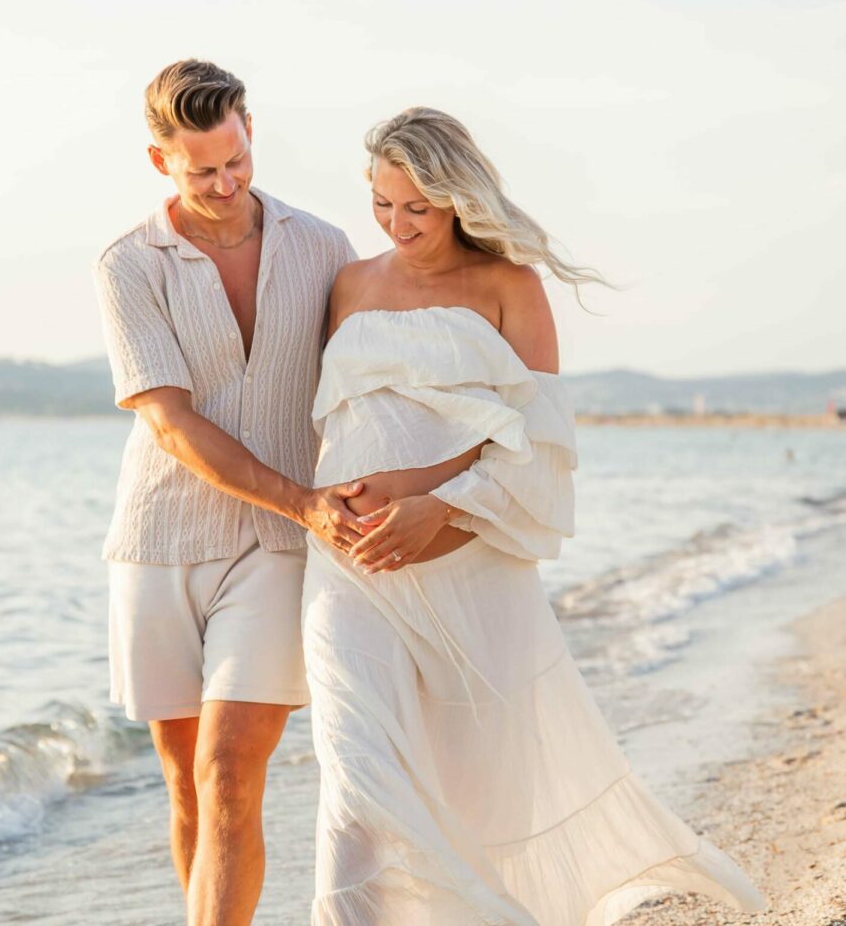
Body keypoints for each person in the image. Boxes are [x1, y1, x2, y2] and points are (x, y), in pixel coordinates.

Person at [301, 107, 767, 923]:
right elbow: (337, 419)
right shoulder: (350, 284)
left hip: (471, 569)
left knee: (482, 792)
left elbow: (541, 444)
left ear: (458, 198)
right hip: (349, 572)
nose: (397, 224)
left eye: (418, 207)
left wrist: (437, 507)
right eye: (381, 203)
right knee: (354, 774)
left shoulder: (510, 287)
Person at [93, 59, 365, 925]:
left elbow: (369, 379)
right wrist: (303, 499)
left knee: (230, 772)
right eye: (202, 169)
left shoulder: (323, 247)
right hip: (160, 541)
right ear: (159, 161)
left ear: (252, 133)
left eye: (237, 159)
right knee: (186, 784)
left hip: (279, 543)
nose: (225, 183)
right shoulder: (129, 264)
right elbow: (169, 422)